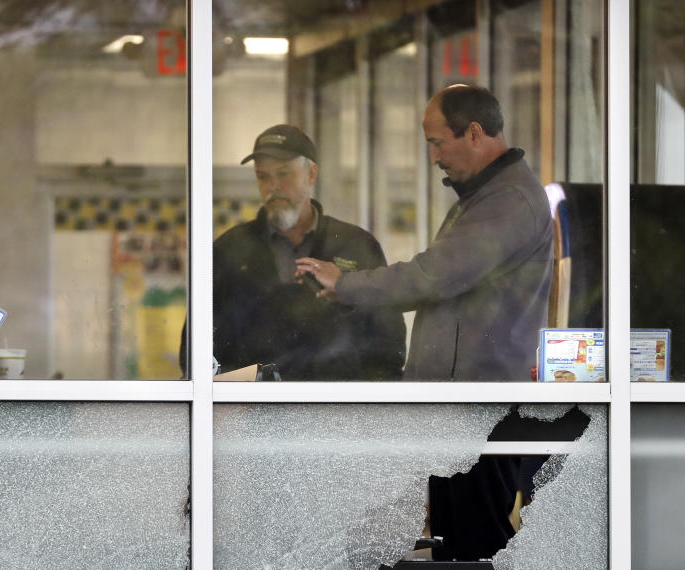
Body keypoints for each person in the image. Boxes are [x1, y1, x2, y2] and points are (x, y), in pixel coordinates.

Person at [296, 85, 553, 381]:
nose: (432, 158)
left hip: (479, 405)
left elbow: (433, 276)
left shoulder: (509, 200)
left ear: (473, 133)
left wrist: (346, 284)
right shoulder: (485, 196)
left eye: (437, 143)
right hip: (463, 398)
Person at [207, 124, 405, 380]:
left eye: (284, 173)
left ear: (311, 175)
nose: (273, 186)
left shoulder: (356, 245)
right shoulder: (231, 249)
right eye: (263, 176)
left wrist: (370, 410)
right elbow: (199, 344)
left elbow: (387, 341)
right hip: (254, 412)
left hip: (336, 411)